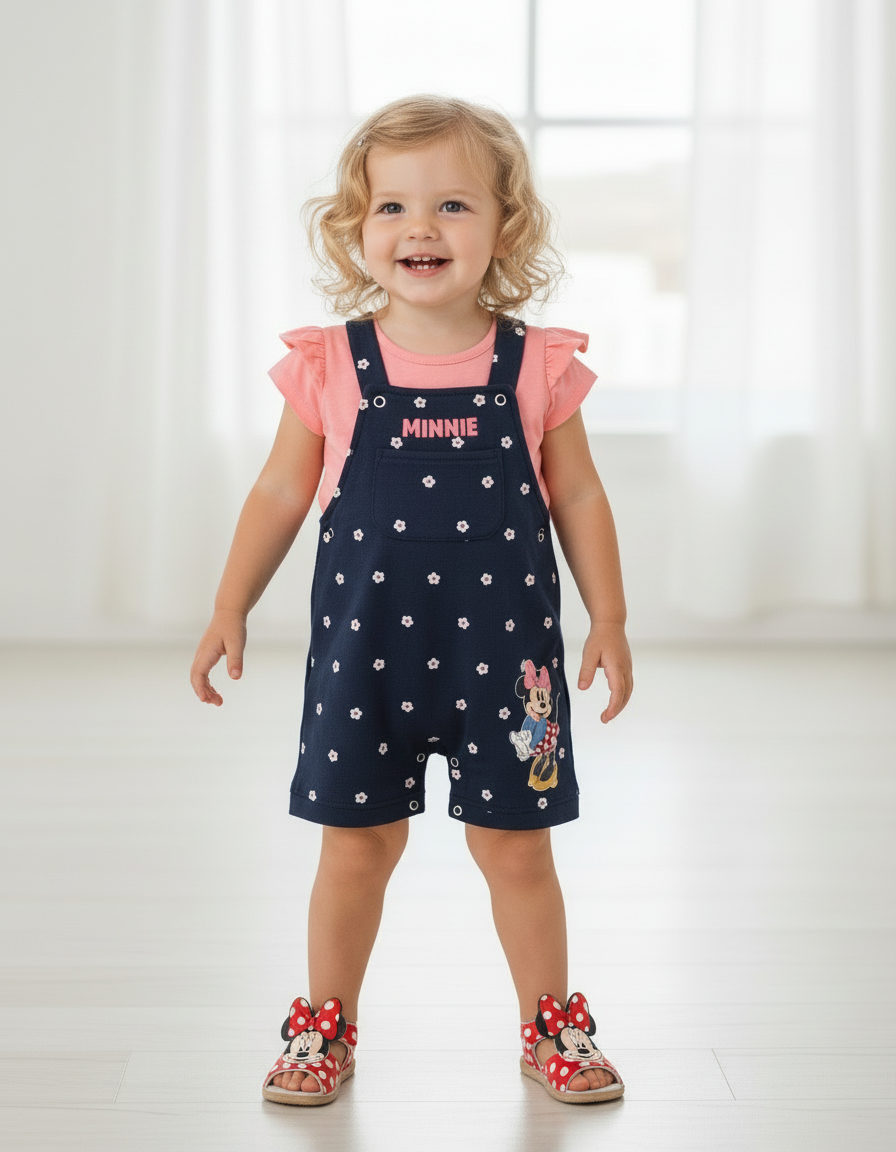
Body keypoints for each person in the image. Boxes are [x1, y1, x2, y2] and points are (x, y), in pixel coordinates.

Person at [190, 95, 633, 1106]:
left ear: (505, 227)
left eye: (452, 205)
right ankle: (324, 1027)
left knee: (517, 852)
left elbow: (577, 495)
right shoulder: (329, 366)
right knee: (355, 850)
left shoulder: (537, 366)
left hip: (508, 668)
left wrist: (608, 618)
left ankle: (550, 1025)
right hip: (366, 662)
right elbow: (279, 494)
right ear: (354, 227)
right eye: (390, 206)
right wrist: (229, 605)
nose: (419, 227)